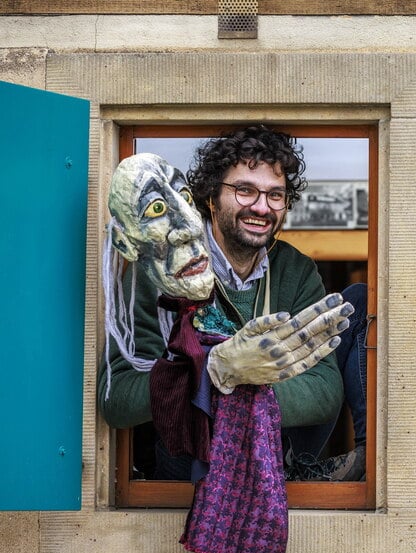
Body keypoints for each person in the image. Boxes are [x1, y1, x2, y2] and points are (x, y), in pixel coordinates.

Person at [98, 125, 368, 483]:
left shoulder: (296, 269)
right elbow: (118, 400)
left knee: (359, 301)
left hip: (277, 453)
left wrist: (232, 381)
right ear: (210, 195)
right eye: (245, 190)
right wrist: (215, 368)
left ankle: (355, 465)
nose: (261, 207)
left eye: (276, 195)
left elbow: (323, 392)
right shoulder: (160, 267)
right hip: (189, 464)